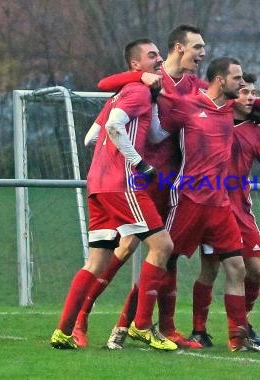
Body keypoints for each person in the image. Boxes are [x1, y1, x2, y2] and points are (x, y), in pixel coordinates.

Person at [71, 24, 207, 350]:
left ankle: (151, 327)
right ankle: (82, 318)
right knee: (126, 249)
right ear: (179, 48)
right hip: (138, 180)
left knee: (164, 253)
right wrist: (136, 78)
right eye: (198, 47)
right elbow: (104, 91)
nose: (202, 54)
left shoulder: (194, 87)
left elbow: (219, 97)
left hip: (170, 182)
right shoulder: (141, 84)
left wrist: (253, 104)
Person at [50, 39, 177, 351]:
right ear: (135, 65)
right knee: (162, 246)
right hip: (123, 184)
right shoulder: (135, 91)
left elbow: (91, 136)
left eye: (159, 54)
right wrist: (137, 162)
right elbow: (113, 126)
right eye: (152, 55)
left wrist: (173, 113)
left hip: (98, 185)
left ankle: (63, 331)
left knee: (96, 261)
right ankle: (143, 326)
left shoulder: (126, 94)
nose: (159, 59)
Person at [141, 57, 260, 353]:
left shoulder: (228, 108)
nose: (242, 85)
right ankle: (135, 324)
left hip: (220, 203)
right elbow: (158, 131)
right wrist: (148, 91)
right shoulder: (188, 104)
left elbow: (247, 107)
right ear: (219, 80)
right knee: (163, 260)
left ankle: (238, 340)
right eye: (237, 79)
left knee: (238, 268)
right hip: (188, 198)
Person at [189, 73, 260, 349]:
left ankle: (241, 324)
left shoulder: (258, 130)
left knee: (255, 270)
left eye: (252, 92)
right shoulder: (213, 119)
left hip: (241, 209)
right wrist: (258, 101)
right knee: (210, 269)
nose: (248, 97)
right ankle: (199, 329)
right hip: (213, 206)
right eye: (243, 91)